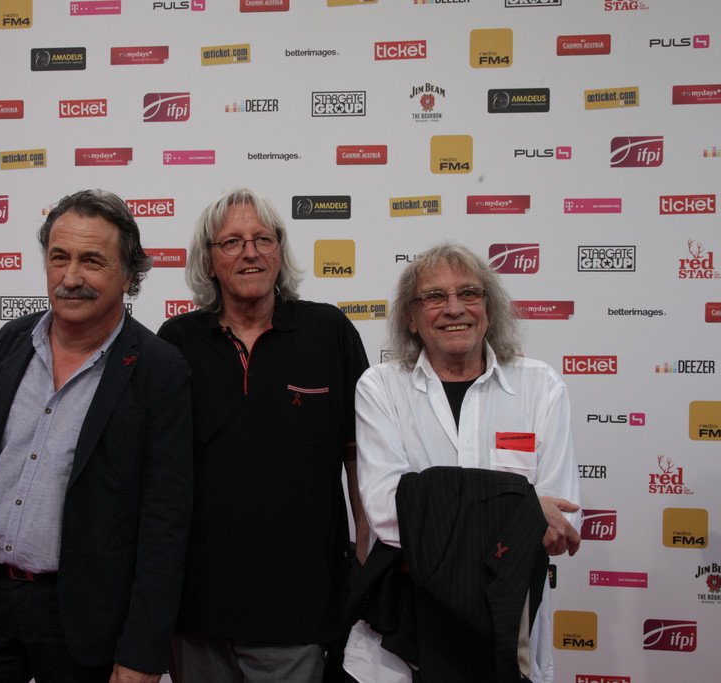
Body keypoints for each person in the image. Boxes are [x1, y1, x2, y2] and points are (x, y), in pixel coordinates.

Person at [0, 190, 193, 683]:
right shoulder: (11, 341)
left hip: (85, 617)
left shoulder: (159, 369)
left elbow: (165, 524)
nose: (71, 277)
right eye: (59, 257)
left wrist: (143, 651)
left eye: (92, 261)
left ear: (129, 275)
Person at [158, 187, 370, 683]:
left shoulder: (330, 331)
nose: (250, 252)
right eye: (231, 242)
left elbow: (360, 457)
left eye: (263, 239)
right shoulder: (176, 342)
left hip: (299, 606)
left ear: (280, 250)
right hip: (197, 607)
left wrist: (365, 553)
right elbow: (157, 474)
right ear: (209, 261)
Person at [343, 243, 581, 683]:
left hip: (506, 628)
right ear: (411, 317)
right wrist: (523, 506)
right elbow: (387, 513)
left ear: (488, 308)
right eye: (434, 296)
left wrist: (433, 503)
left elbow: (557, 524)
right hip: (401, 639)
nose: (454, 308)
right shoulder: (380, 388)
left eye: (469, 293)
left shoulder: (540, 387)